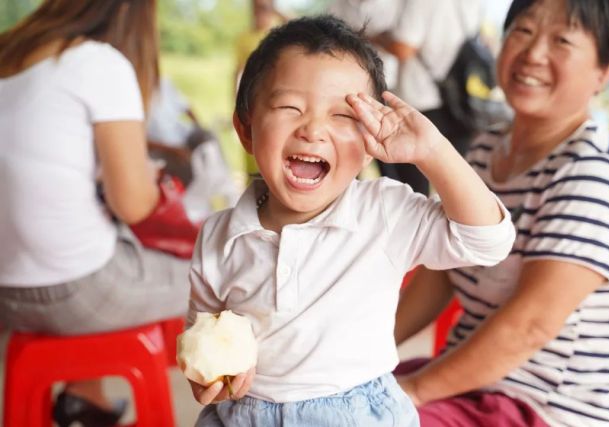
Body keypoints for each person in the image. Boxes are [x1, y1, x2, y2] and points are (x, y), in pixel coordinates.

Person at [186, 15, 515, 426]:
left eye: (342, 116)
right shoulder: (219, 236)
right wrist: (209, 379)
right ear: (246, 129)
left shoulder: (384, 213)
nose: (313, 130)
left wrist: (432, 152)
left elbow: (488, 242)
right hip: (242, 415)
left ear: (369, 141)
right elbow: (204, 335)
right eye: (290, 107)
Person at [394, 0, 609, 426]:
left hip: (546, 409)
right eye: (523, 31)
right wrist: (350, 351)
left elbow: (530, 327)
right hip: (474, 389)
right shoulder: (486, 149)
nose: (534, 54)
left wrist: (409, 393)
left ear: (604, 71)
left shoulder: (594, 172)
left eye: (562, 41)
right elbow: (441, 276)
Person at [0, 1, 189, 425]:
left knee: (88, 233)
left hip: (6, 293)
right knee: (218, 269)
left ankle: (86, 397)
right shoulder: (97, 63)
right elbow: (134, 204)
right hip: (72, 292)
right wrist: (148, 179)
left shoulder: (9, 57)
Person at [372, 0, 484, 195]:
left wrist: (375, 36)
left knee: (413, 188)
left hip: (422, 99)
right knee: (457, 181)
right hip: (460, 100)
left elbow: (403, 47)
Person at [233, 0, 287, 179]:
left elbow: (305, 29)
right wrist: (236, 100)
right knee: (251, 147)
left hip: (277, 100)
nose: (260, 11)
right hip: (253, 99)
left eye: (265, 7)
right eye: (257, 6)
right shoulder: (243, 38)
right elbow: (238, 72)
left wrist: (277, 11)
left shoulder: (280, 34)